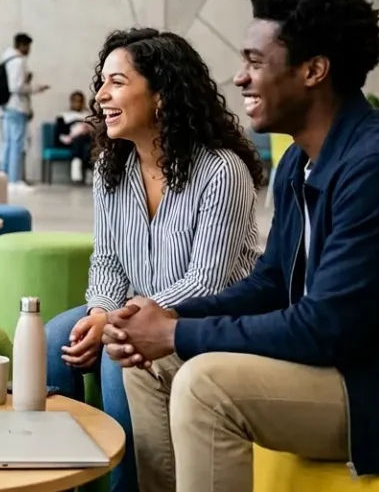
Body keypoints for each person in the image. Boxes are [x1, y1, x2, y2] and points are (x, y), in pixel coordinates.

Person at [103, 0, 379, 491]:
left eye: (255, 62)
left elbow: (323, 328)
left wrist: (172, 332)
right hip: (352, 368)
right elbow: (273, 282)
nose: (239, 78)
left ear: (314, 71)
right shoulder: (299, 162)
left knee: (206, 385)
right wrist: (171, 315)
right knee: (148, 366)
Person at [44, 28, 266, 492]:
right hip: (132, 309)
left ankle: (130, 486)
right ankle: (66, 482)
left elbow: (207, 283)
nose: (101, 95)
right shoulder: (115, 168)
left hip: (205, 322)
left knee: (117, 355)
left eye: (117, 82)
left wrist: (115, 324)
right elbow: (106, 259)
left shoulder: (222, 171)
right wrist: (102, 311)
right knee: (54, 340)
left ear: (162, 96)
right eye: (101, 81)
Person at [0, 32, 48, 189]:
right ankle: (14, 180)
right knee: (17, 145)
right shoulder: (18, 62)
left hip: (6, 107)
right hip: (17, 107)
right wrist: (35, 88)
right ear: (22, 45)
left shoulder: (6, 60)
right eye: (28, 46)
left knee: (7, 144)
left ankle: (4, 179)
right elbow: (17, 86)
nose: (29, 50)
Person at [55, 90, 94, 181]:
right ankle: (85, 169)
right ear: (71, 102)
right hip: (69, 141)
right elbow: (60, 135)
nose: (77, 104)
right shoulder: (63, 116)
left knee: (87, 141)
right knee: (81, 140)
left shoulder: (88, 115)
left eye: (80, 101)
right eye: (75, 101)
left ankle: (78, 165)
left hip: (87, 140)